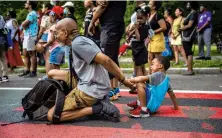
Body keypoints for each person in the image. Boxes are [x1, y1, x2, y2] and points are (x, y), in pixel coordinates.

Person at [46, 18, 134, 122]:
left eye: (56, 33)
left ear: (65, 32)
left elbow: (106, 60)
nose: (55, 37)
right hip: (88, 80)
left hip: (92, 88)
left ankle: (98, 108)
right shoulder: (80, 40)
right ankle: (96, 100)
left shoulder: (78, 44)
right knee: (51, 73)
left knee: (52, 115)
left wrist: (123, 80)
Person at [88, 1, 126, 99]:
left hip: (111, 27)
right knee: (112, 57)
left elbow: (103, 4)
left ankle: (109, 91)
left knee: (106, 58)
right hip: (113, 26)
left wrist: (92, 21)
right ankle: (114, 89)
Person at [19, 1, 38, 78]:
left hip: (31, 35)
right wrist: (24, 32)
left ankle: (33, 71)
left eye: (26, 3)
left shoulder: (32, 13)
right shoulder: (30, 13)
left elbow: (24, 24)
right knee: (25, 53)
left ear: (30, 5)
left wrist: (23, 26)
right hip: (27, 35)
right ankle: (27, 70)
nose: (25, 4)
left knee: (32, 53)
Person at [147, 0, 167, 75]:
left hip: (158, 38)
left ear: (154, 6)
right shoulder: (148, 15)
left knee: (158, 59)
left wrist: (154, 32)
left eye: (150, 4)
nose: (148, 5)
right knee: (150, 58)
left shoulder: (158, 15)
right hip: (151, 38)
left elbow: (164, 27)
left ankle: (162, 76)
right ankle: (150, 75)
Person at [180, 1, 198, 75]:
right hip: (188, 35)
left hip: (188, 35)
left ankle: (190, 70)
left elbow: (190, 25)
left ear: (192, 5)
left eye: (188, 4)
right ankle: (189, 69)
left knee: (188, 52)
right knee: (188, 52)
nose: (187, 6)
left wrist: (181, 29)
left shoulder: (193, 13)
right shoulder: (192, 13)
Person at [0, 15, 12, 82]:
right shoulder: (4, 26)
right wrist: (10, 45)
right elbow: (8, 35)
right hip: (2, 43)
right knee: (3, 58)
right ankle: (5, 75)